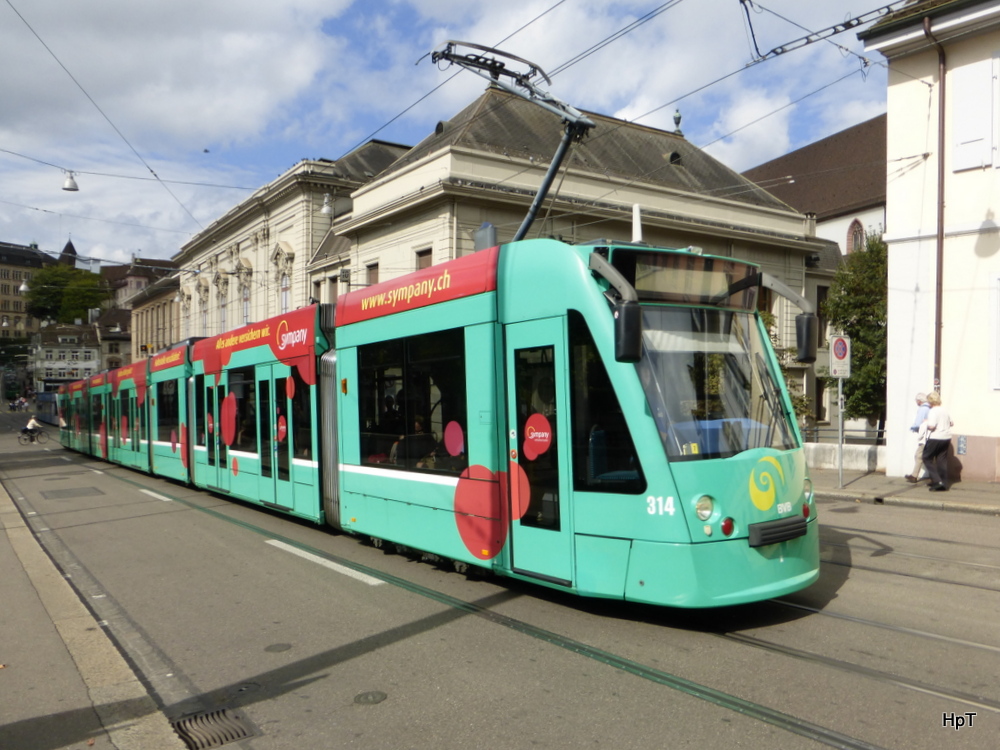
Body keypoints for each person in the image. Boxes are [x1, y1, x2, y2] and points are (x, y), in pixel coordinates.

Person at [922, 391, 953, 491]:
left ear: (930, 402)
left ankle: (937, 480)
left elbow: (931, 426)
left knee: (926, 458)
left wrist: (925, 423)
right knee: (941, 459)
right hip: (946, 437)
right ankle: (943, 483)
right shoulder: (945, 410)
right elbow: (951, 423)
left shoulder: (933, 411)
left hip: (936, 437)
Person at [905, 392, 931, 483]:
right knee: (926, 456)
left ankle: (914, 475)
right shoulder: (930, 408)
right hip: (930, 436)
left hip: (924, 436)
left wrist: (913, 428)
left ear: (919, 401)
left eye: (916, 401)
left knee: (918, 455)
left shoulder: (922, 409)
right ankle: (916, 475)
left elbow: (918, 422)